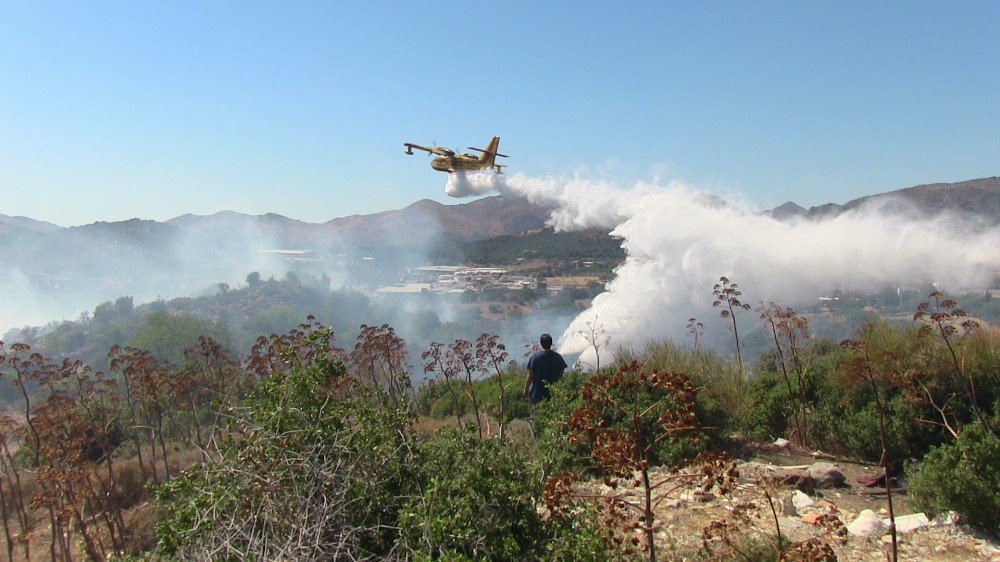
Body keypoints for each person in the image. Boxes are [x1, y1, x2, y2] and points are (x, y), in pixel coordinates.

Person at [523, 333, 568, 404]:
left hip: (537, 395)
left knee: (537, 414)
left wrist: (526, 389)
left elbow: (530, 375)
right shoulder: (558, 357)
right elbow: (561, 375)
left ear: (541, 343)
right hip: (553, 394)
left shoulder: (535, 357)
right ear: (551, 343)